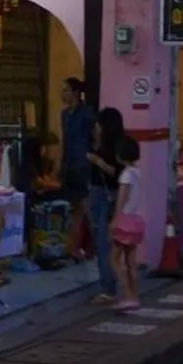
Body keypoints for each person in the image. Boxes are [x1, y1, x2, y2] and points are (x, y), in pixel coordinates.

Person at [86, 108, 127, 303]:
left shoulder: (117, 146)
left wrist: (98, 161)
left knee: (105, 241)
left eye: (99, 124)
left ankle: (109, 288)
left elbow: (117, 173)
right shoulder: (97, 142)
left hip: (109, 195)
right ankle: (111, 284)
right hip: (96, 192)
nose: (96, 127)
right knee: (99, 239)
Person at [59, 78, 95, 260]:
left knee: (89, 208)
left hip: (83, 166)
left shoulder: (87, 114)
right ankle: (74, 249)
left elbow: (93, 139)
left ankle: (98, 248)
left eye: (66, 90)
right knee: (75, 211)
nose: (62, 94)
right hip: (70, 166)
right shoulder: (64, 115)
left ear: (75, 93)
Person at [110, 135, 146, 311]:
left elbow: (121, 200)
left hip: (125, 221)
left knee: (115, 259)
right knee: (131, 262)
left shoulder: (125, 175)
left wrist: (115, 220)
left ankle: (127, 294)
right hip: (137, 221)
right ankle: (135, 296)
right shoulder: (138, 172)